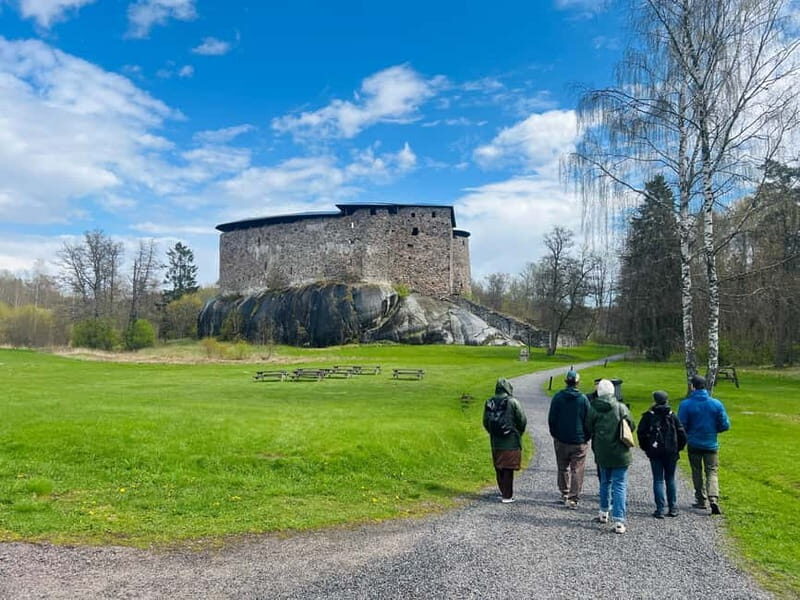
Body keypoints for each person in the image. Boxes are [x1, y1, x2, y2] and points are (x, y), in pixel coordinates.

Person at [586, 378, 635, 534]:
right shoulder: (621, 408)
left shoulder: (593, 408)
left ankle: (603, 512)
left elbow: (588, 426)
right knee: (619, 485)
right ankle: (619, 520)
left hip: (602, 451)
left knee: (605, 482)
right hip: (620, 452)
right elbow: (631, 425)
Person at [678, 374, 731, 515]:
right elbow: (725, 425)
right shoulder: (716, 404)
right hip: (711, 444)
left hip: (694, 443)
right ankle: (713, 497)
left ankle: (701, 499)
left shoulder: (686, 404)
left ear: (692, 386)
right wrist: (714, 430)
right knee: (712, 471)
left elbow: (681, 425)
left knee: (696, 471)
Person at [637, 391, 687, 518]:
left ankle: (660, 509)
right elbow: (682, 434)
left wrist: (646, 448)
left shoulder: (649, 416)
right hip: (671, 452)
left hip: (655, 451)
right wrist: (678, 448)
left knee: (658, 479)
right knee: (670, 479)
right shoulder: (672, 416)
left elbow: (641, 433)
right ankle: (673, 507)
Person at [548, 369, 591, 508]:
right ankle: (573, 498)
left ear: (566, 381)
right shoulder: (583, 399)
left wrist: (555, 434)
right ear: (577, 383)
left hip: (561, 439)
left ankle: (564, 493)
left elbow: (552, 419)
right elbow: (588, 420)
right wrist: (586, 437)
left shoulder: (558, 397)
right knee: (577, 469)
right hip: (578, 440)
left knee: (562, 467)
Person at [483, 378, 527, 503]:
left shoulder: (489, 402)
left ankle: (503, 490)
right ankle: (507, 495)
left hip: (496, 442)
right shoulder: (513, 402)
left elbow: (485, 421)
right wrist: (518, 433)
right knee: (508, 468)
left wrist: (493, 433)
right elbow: (522, 420)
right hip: (511, 441)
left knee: (499, 467)